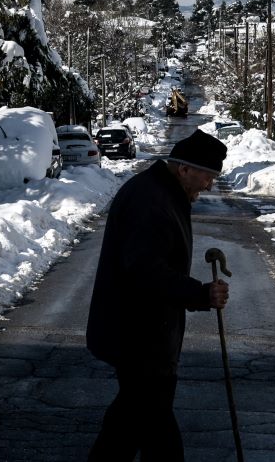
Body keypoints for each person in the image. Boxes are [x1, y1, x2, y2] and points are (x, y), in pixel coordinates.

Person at [86, 129, 230, 460]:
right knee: (152, 427)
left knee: (130, 426)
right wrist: (200, 293)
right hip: (139, 337)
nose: (209, 186)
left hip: (145, 337)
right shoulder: (152, 202)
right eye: (207, 176)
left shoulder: (162, 193)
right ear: (184, 169)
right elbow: (145, 272)